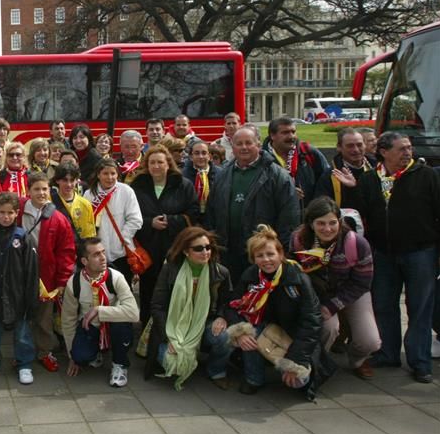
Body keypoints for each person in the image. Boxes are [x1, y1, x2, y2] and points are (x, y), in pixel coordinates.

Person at [341, 132, 440, 383]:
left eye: (408, 148)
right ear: (384, 152)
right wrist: (352, 190)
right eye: (402, 149)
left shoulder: (426, 175)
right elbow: (358, 214)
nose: (408, 152)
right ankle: (387, 353)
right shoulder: (370, 179)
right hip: (383, 253)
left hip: (420, 252)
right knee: (384, 304)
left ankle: (420, 361)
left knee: (419, 307)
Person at [225, 225, 330, 398]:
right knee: (248, 332)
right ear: (253, 259)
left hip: (294, 334)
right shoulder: (250, 276)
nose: (266, 260)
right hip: (264, 329)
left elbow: (311, 321)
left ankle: (298, 369)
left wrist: (295, 360)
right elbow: (232, 305)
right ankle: (254, 379)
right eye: (260, 256)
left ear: (280, 255)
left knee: (298, 381)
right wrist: (239, 331)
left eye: (270, 254)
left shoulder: (297, 278)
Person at [291, 197, 379, 379]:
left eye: (332, 223)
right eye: (320, 223)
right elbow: (296, 275)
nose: (327, 228)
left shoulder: (357, 244)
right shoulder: (299, 240)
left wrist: (333, 306)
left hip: (352, 291)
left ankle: (358, 360)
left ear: (339, 221)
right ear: (310, 223)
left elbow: (362, 283)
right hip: (318, 294)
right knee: (327, 328)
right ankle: (316, 362)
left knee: (369, 340)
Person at [204, 126, 300, 277]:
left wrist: (280, 250)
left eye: (248, 143)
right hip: (227, 252)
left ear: (258, 144)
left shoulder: (278, 176)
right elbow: (211, 211)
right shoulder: (222, 175)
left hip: (262, 253)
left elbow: (289, 217)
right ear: (232, 147)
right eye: (239, 143)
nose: (244, 147)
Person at [146, 227, 232, 390]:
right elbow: (157, 306)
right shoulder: (170, 269)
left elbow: (228, 302)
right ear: (186, 251)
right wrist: (168, 337)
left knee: (225, 337)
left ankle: (217, 371)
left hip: (204, 323)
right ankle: (184, 355)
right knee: (174, 364)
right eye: (198, 248)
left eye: (208, 247)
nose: (205, 252)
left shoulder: (221, 272)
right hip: (173, 325)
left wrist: (221, 316)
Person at [0, 192, 39, 385]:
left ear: (16, 214)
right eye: (2, 212)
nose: (6, 216)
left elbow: (32, 271)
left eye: (10, 213)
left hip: (18, 296)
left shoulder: (23, 237)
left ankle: (25, 364)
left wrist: (30, 299)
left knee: (23, 334)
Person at [131, 144, 199, 324]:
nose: (156, 166)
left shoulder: (183, 185)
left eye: (160, 162)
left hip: (175, 248)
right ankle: (147, 335)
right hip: (148, 249)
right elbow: (129, 216)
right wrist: (149, 223)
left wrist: (171, 221)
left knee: (175, 290)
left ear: (168, 164)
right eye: (152, 162)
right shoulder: (137, 186)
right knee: (149, 293)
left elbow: (194, 214)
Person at [62, 237, 139, 387]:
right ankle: (95, 352)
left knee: (121, 325)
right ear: (84, 261)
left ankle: (120, 364)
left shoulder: (116, 277)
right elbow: (68, 320)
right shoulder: (75, 282)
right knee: (80, 356)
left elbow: (134, 313)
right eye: (96, 255)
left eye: (103, 252)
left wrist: (99, 310)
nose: (103, 258)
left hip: (113, 326)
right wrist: (72, 355)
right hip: (91, 328)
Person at [20, 171, 76, 372]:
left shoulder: (58, 218)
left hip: (46, 277)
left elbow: (66, 252)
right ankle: (22, 353)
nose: (41, 193)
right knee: (22, 316)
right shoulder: (18, 210)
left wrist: (62, 281)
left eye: (44, 189)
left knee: (44, 318)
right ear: (28, 191)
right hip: (20, 274)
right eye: (36, 189)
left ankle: (44, 351)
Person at [83, 158, 143, 276]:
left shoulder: (126, 191)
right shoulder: (89, 194)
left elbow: (135, 219)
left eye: (113, 173)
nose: (109, 177)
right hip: (99, 253)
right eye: (105, 173)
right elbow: (86, 224)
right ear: (98, 175)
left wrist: (123, 238)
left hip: (122, 252)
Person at [263, 117, 330, 206]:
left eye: (293, 132)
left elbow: (326, 181)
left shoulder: (309, 152)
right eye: (285, 133)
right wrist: (283, 193)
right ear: (272, 135)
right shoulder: (261, 158)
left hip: (308, 214)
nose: (291, 136)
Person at [315, 128, 373, 212]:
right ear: (339, 147)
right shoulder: (330, 176)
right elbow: (321, 209)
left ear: (365, 145)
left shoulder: (377, 168)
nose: (356, 150)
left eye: (359, 145)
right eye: (350, 146)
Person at [51, 162, 97, 242]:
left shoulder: (85, 204)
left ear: (77, 181)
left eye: (72, 180)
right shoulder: (49, 202)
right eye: (65, 180)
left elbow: (89, 235)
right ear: (57, 180)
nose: (69, 184)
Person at [182, 139, 220, 219]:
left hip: (214, 219)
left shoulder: (220, 174)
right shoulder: (182, 175)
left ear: (209, 156)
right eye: (196, 153)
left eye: (204, 153)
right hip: (191, 220)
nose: (200, 156)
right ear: (191, 157)